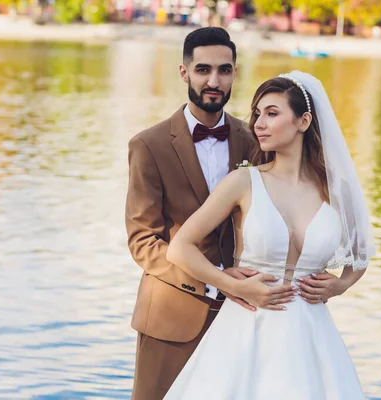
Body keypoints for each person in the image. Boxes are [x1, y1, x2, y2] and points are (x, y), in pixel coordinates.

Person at [164, 71, 376, 399]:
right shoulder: (243, 182)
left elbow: (361, 253)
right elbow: (180, 248)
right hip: (246, 328)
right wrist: (231, 285)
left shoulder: (337, 192)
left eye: (272, 113)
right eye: (257, 114)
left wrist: (340, 285)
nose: (259, 123)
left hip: (312, 337)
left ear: (304, 121)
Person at [125, 27, 295, 400]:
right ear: (184, 72)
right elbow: (143, 242)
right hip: (171, 317)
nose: (214, 81)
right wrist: (216, 279)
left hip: (244, 319)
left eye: (224, 70)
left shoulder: (256, 140)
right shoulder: (148, 146)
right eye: (203, 70)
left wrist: (335, 277)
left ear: (235, 73)